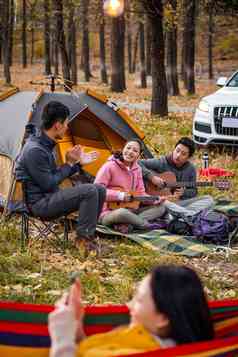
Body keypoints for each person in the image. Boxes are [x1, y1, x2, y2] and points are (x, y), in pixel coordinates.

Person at [48, 264, 214, 357]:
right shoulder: (139, 339)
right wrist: (77, 331)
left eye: (139, 299)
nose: (129, 305)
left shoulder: (143, 351)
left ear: (163, 318)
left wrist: (61, 339)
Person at [15, 101, 106, 249]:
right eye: (66, 123)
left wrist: (78, 164)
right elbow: (49, 183)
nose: (67, 127)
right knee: (89, 190)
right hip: (39, 205)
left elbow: (53, 177)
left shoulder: (44, 144)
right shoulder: (35, 150)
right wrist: (70, 163)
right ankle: (84, 243)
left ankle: (88, 236)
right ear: (57, 125)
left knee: (99, 189)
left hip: (50, 196)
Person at [94, 139, 166, 231]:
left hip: (131, 210)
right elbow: (97, 190)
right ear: (123, 149)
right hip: (107, 213)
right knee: (121, 213)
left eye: (135, 151)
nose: (130, 152)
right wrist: (120, 196)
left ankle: (129, 225)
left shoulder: (138, 170)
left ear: (139, 156)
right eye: (128, 148)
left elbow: (141, 194)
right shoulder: (109, 166)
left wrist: (153, 200)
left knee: (161, 208)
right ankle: (144, 225)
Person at [139, 137, 214, 219]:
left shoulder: (191, 169)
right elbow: (138, 163)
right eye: (177, 150)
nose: (178, 155)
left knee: (209, 200)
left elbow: (194, 191)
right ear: (174, 149)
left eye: (183, 154)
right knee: (164, 202)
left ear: (188, 157)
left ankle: (177, 215)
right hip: (162, 203)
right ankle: (188, 215)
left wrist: (184, 192)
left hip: (178, 203)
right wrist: (152, 177)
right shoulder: (162, 162)